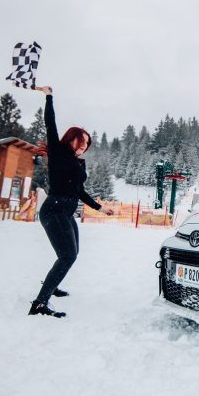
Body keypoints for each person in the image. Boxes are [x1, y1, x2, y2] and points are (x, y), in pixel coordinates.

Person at [28, 85, 113, 317]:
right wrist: (49, 96)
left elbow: (79, 191)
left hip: (65, 212)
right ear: (71, 139)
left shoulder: (77, 163)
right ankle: (39, 303)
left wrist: (99, 208)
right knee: (68, 255)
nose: (84, 145)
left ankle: (52, 287)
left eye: (87, 143)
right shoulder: (57, 151)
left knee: (70, 253)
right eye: (81, 140)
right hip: (53, 210)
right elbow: (50, 123)